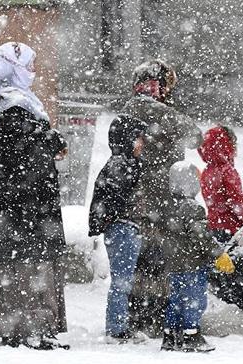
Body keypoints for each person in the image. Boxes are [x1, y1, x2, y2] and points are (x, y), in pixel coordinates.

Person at [0, 42, 69, 349]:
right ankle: (30, 328)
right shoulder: (16, 110)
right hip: (27, 214)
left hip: (13, 215)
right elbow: (25, 164)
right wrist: (47, 142)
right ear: (14, 69)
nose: (34, 72)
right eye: (29, 66)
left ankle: (22, 327)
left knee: (17, 268)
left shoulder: (12, 107)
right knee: (30, 269)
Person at [121, 59, 204, 336]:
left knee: (149, 259)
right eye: (166, 84)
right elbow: (194, 135)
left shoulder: (139, 107)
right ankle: (148, 317)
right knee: (153, 257)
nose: (168, 90)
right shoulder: (146, 107)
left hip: (151, 197)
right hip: (152, 198)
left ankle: (146, 315)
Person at [159, 161, 235, 352]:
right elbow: (201, 236)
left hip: (172, 265)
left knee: (174, 301)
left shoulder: (166, 206)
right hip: (191, 264)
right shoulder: (192, 208)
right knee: (194, 301)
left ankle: (171, 336)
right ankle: (191, 336)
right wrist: (219, 254)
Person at [88, 115, 148, 344]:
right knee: (122, 281)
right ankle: (116, 329)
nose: (141, 144)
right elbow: (112, 200)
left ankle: (121, 324)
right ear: (126, 139)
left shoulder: (127, 163)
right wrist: (120, 218)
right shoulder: (121, 165)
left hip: (127, 227)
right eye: (138, 139)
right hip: (123, 229)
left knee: (125, 281)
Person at [197, 125, 243, 243]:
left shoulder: (208, 171)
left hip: (214, 226)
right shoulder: (226, 171)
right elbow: (236, 200)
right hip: (231, 228)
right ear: (226, 145)